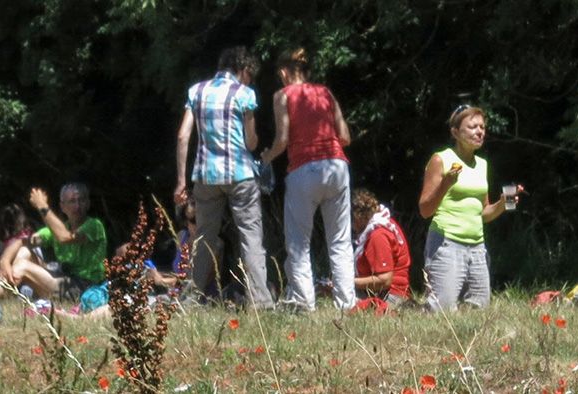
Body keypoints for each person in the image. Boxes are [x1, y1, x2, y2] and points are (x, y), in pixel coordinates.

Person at [174, 46, 274, 309]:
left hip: (206, 176)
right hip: (240, 175)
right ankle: (260, 301)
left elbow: (183, 136)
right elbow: (251, 142)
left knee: (203, 238)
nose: (249, 81)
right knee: (250, 236)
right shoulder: (244, 94)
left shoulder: (197, 91)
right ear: (242, 70)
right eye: (249, 75)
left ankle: (191, 299)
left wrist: (181, 181)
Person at [259, 48, 357, 311]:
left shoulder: (282, 96)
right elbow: (345, 137)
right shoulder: (325, 93)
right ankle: (347, 304)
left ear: (283, 72)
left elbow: (282, 140)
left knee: (299, 243)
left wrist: (267, 157)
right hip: (337, 166)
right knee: (340, 241)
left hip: (304, 170)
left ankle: (304, 302)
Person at [418, 105, 520, 311]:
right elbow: (425, 210)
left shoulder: (482, 164)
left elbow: (483, 213)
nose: (479, 131)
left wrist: (503, 204)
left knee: (478, 310)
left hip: (477, 247)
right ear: (455, 132)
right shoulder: (441, 159)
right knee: (442, 310)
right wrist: (445, 184)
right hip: (446, 245)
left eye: (482, 127)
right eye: (472, 127)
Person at [0, 205, 63, 326]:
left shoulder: (81, 231)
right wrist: (2, 261)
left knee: (24, 253)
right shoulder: (35, 235)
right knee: (23, 252)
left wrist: (1, 262)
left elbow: (26, 248)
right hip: (31, 283)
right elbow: (23, 241)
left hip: (58, 285)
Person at [29, 183, 108, 300]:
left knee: (23, 268)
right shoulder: (60, 228)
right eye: (72, 201)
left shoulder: (94, 226)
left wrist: (42, 206)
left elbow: (64, 237)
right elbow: (29, 241)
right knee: (23, 253)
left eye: (81, 201)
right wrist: (4, 261)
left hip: (86, 286)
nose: (77, 206)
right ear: (62, 207)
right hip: (64, 280)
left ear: (88, 204)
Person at [349, 190, 410, 310]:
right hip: (389, 293)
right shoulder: (385, 222)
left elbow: (384, 280)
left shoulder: (378, 236)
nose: (350, 226)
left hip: (392, 297)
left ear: (358, 217)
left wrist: (348, 282)